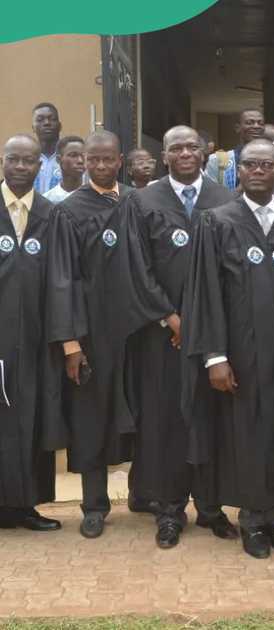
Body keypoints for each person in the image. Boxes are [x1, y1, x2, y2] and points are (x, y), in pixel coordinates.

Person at [181, 139, 274, 559]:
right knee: (247, 433)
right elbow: (204, 292)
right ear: (238, 171)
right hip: (239, 353)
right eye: (249, 164)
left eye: (266, 164)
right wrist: (215, 356)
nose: (257, 170)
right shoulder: (216, 221)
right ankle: (252, 519)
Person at [116, 125, 239, 548]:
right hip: (161, 336)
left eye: (191, 146)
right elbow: (135, 267)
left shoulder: (225, 200)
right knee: (165, 420)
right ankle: (169, 509)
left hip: (213, 338)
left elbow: (233, 274)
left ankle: (210, 506)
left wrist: (205, 326)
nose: (185, 153)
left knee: (210, 415)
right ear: (164, 156)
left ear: (203, 152)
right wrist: (171, 318)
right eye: (176, 148)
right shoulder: (142, 202)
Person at [55, 130, 137, 540]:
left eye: (109, 159)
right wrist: (71, 344)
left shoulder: (137, 202)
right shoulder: (69, 211)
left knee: (145, 413)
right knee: (91, 418)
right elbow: (63, 281)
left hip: (137, 332)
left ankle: (146, 494)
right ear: (83, 162)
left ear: (120, 161)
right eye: (94, 159)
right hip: (92, 334)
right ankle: (94, 505)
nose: (102, 166)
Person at [0, 133, 79, 532]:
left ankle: (26, 504)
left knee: (32, 416)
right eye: (13, 159)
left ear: (39, 166)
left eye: (28, 161)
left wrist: (67, 341)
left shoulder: (52, 215)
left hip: (36, 338)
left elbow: (63, 280)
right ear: (2, 161)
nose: (20, 167)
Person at [205, 107, 265, 190]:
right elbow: (210, 194)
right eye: (249, 123)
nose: (256, 126)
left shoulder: (272, 160)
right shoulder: (217, 160)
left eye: (260, 123)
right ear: (237, 128)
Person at [32, 103, 63, 194]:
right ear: (33, 127)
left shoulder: (69, 157)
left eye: (52, 119)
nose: (47, 123)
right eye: (40, 120)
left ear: (60, 126)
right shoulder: (28, 159)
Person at [44, 136, 85, 203]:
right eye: (73, 155)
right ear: (58, 159)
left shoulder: (96, 198)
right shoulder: (48, 200)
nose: (80, 161)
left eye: (83, 155)